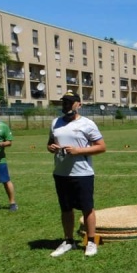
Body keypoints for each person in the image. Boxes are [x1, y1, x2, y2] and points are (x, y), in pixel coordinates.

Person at [47, 92, 106, 257]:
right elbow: (50, 143)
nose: (66, 105)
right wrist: (50, 147)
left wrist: (78, 151)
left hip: (82, 173)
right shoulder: (55, 123)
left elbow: (101, 147)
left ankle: (91, 241)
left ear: (79, 104)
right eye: (64, 102)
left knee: (87, 208)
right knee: (66, 209)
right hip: (61, 173)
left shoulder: (88, 124)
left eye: (70, 102)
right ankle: (68, 241)